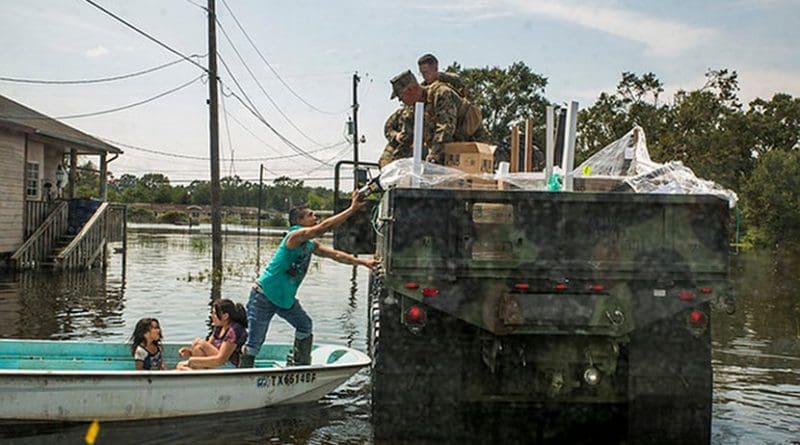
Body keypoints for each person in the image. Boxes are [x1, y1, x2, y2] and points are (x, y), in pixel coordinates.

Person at [239, 193, 379, 368]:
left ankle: (300, 365)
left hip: (285, 299)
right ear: (299, 221)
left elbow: (336, 255)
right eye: (311, 215)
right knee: (254, 344)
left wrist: (363, 262)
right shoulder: (294, 237)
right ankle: (243, 375)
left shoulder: (310, 244)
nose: (315, 217)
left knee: (305, 326)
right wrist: (351, 209)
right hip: (264, 296)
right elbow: (323, 228)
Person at [390, 70, 488, 164]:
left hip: (472, 147)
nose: (400, 100)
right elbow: (407, 138)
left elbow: (445, 128)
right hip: (450, 152)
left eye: (400, 95)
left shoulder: (441, 93)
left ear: (410, 89)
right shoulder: (414, 109)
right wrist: (394, 163)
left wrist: (433, 155)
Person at [177, 299, 248, 370]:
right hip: (215, 362)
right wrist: (190, 352)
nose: (211, 316)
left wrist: (193, 361)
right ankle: (200, 375)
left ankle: (198, 374)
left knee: (199, 342)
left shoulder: (234, 329)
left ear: (225, 316)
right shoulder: (219, 327)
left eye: (214, 313)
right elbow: (206, 348)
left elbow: (221, 359)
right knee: (181, 365)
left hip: (227, 365)